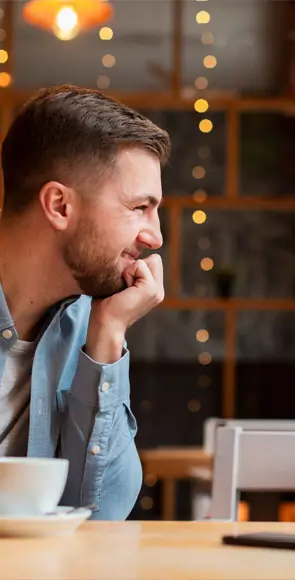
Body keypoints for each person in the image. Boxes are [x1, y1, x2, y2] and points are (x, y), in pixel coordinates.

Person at [0, 85, 170, 520]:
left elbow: (102, 513)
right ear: (59, 205)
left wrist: (108, 336)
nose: (155, 237)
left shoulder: (86, 324)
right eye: (138, 207)